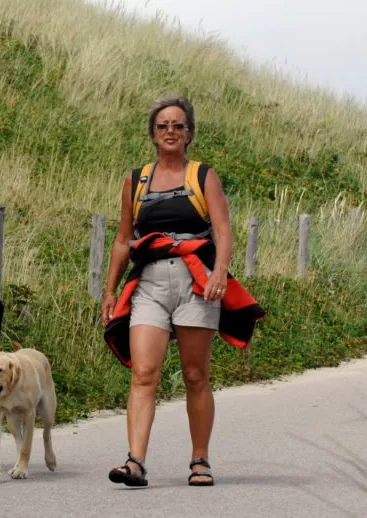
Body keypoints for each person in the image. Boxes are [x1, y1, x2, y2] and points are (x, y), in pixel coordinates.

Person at [101, 95, 234, 487]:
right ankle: (135, 462)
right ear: (153, 135)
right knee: (143, 373)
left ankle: (200, 460)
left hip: (197, 282)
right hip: (150, 283)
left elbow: (223, 229)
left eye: (178, 125)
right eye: (163, 126)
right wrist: (109, 290)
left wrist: (219, 273)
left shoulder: (203, 176)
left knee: (195, 374)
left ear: (189, 133)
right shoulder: (136, 180)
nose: (171, 132)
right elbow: (124, 240)